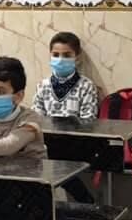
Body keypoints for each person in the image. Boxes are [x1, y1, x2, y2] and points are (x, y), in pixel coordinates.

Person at [32, 31, 98, 204]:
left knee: (54, 162)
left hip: (75, 144)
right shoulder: (43, 86)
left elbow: (88, 121)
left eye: (67, 55)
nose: (60, 60)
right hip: (47, 144)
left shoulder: (86, 86)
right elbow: (36, 119)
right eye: (56, 55)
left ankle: (85, 202)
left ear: (77, 57)